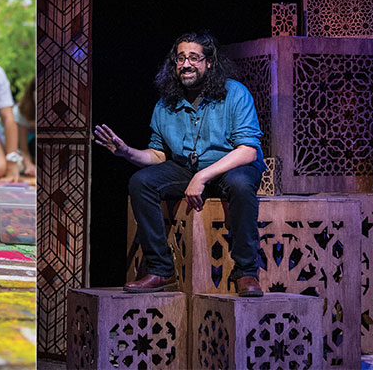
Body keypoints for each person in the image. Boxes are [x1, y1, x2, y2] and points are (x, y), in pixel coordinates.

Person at [94, 32, 266, 297]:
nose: (186, 64)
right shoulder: (166, 104)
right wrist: (126, 152)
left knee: (241, 184)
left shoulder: (235, 93)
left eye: (194, 58)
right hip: (187, 167)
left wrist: (202, 177)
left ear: (209, 62)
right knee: (141, 182)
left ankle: (246, 272)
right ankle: (160, 269)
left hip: (231, 165)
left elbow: (247, 152)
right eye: (181, 58)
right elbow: (158, 155)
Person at [14, 76, 36, 177]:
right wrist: (29, 165)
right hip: (19, 145)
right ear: (32, 93)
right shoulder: (22, 111)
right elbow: (23, 148)